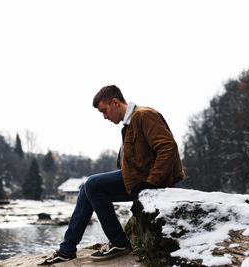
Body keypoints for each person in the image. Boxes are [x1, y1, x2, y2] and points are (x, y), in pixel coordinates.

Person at [39, 85, 185, 265]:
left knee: (92, 184)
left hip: (151, 182)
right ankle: (67, 250)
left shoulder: (143, 115)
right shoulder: (130, 122)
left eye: (105, 111)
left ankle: (118, 242)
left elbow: (168, 147)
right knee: (88, 187)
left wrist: (151, 182)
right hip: (137, 179)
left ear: (115, 102)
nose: (105, 117)